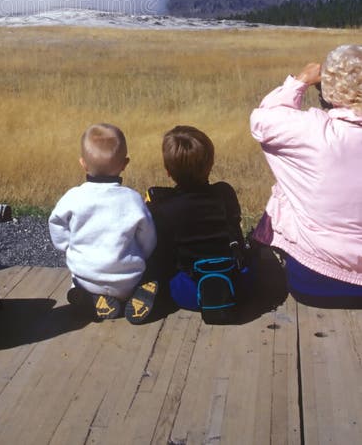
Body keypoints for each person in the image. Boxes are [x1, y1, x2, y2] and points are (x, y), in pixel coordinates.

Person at [250, 45, 362, 306]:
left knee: (287, 191)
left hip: (316, 281)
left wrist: (299, 81)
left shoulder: (312, 131)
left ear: (329, 88)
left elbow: (262, 121)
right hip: (318, 279)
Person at [48, 123, 157, 323]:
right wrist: (141, 254)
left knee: (75, 283)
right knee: (145, 274)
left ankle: (87, 298)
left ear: (83, 163)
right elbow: (148, 237)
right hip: (126, 280)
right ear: (125, 164)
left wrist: (67, 246)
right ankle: (133, 296)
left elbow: (55, 222)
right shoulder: (132, 199)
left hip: (85, 278)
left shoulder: (74, 197)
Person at [145, 125, 247, 320]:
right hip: (235, 285)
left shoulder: (163, 207)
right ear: (211, 163)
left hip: (190, 293)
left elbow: (162, 254)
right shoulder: (225, 193)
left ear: (167, 171)